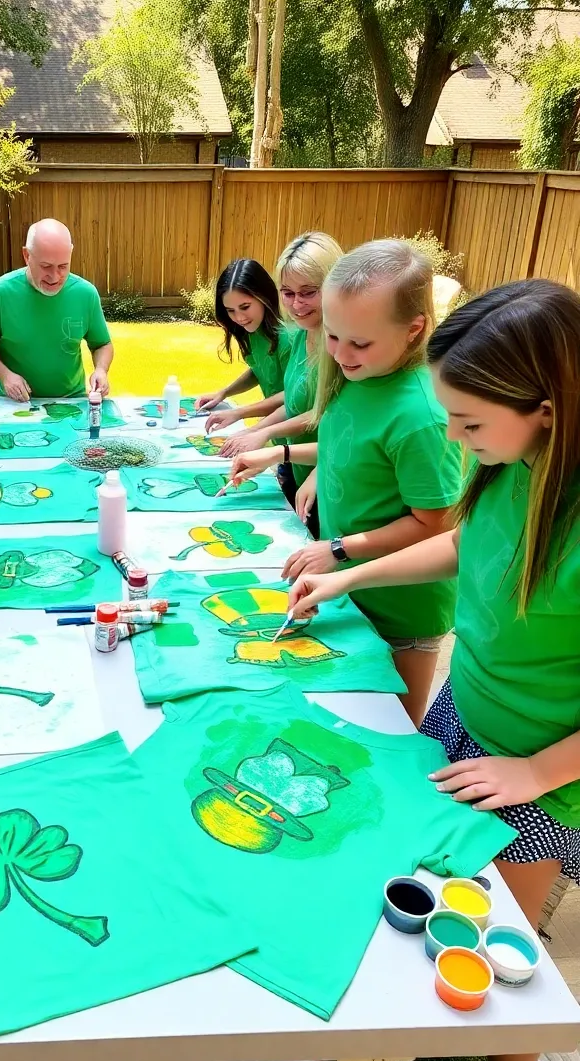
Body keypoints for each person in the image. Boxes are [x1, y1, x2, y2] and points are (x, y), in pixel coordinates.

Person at [286, 278, 580, 1061]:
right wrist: (349, 575)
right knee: (443, 901)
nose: (454, 436)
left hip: (540, 776)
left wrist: (538, 772)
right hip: (468, 717)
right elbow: (461, 546)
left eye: (470, 423)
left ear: (547, 408)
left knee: (506, 945)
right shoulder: (510, 463)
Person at [229, 240, 462, 725]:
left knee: (388, 736)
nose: (339, 353)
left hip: (401, 612)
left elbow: (436, 525)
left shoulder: (421, 415)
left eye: (359, 342)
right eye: (333, 336)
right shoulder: (354, 375)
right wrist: (283, 452)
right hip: (348, 587)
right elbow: (347, 448)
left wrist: (338, 550)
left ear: (414, 329)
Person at [204, 233, 343, 534]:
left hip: (330, 480)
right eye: (288, 293)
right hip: (299, 466)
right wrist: (260, 434)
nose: (296, 304)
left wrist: (259, 431)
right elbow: (293, 402)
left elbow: (325, 416)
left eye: (308, 292)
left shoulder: (339, 349)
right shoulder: (304, 335)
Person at [0, 219, 113, 400]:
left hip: (71, 400)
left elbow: (102, 344)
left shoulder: (86, 294)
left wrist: (100, 370)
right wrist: (5, 375)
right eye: (46, 267)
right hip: (16, 403)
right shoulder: (1, 292)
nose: (54, 277)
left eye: (63, 266)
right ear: (27, 256)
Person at [194, 258, 291, 425]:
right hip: (273, 433)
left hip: (300, 441)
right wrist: (224, 393)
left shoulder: (288, 337)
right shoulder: (254, 331)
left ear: (264, 296)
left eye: (245, 307)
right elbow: (260, 370)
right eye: (230, 310)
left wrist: (239, 413)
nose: (239, 318)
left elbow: (293, 395)